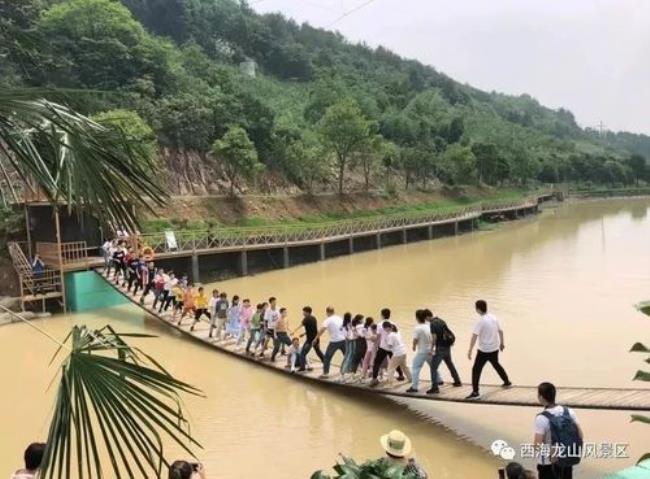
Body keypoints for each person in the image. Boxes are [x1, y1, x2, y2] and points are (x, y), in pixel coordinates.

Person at [534, 382, 583, 479]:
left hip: (548, 465)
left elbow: (537, 446)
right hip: (567, 461)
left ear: (541, 397)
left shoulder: (541, 418)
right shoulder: (569, 412)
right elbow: (580, 435)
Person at [466, 300, 511, 399]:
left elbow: (474, 336)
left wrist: (470, 350)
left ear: (477, 309)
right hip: (494, 349)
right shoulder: (494, 318)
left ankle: (475, 392)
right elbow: (501, 331)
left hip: (484, 351)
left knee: (476, 370)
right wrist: (502, 343)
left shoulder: (480, 321)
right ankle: (507, 382)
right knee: (496, 364)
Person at [426, 312, 463, 394]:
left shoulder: (432, 324)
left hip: (440, 348)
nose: (426, 320)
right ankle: (457, 381)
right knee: (450, 363)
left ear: (428, 316)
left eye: (426, 318)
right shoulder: (441, 320)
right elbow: (447, 333)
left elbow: (434, 338)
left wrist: (431, 349)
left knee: (433, 367)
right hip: (447, 346)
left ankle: (435, 388)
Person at [314, 306, 346, 378]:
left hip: (334, 341)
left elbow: (322, 329)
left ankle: (325, 373)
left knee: (327, 357)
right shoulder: (339, 318)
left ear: (327, 312)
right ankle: (347, 371)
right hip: (343, 340)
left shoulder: (327, 320)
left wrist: (316, 338)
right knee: (347, 356)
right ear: (334, 311)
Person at [406, 309, 433, 393]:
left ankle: (414, 387)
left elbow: (415, 339)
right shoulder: (428, 326)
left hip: (422, 351)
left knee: (415, 367)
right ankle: (439, 380)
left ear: (417, 318)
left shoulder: (418, 328)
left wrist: (413, 346)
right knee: (433, 366)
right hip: (430, 349)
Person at [292, 306, 324, 371]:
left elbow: (300, 326)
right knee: (318, 351)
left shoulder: (306, 319)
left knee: (302, 353)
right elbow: (312, 329)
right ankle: (325, 363)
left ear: (306, 312)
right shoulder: (314, 318)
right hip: (316, 338)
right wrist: (304, 334)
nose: (303, 313)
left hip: (310, 341)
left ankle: (302, 367)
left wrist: (294, 331)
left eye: (303, 312)